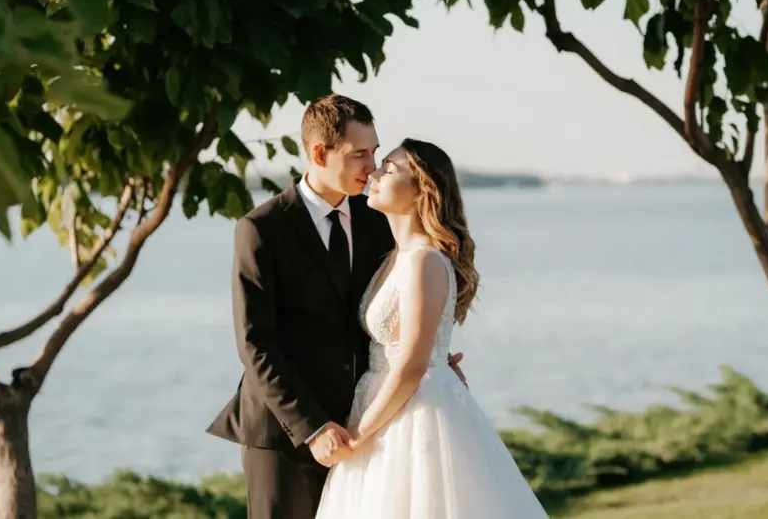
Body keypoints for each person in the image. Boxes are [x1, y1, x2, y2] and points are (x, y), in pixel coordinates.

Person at [206, 95, 465, 519]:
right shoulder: (262, 229)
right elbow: (256, 345)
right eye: (360, 154)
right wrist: (311, 428)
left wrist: (429, 359)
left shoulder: (378, 218)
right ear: (320, 153)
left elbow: (400, 305)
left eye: (376, 152)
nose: (372, 165)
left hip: (367, 427)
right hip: (285, 434)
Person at [313, 138, 551, 519]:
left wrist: (358, 433)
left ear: (421, 188)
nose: (373, 172)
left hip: (413, 412)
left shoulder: (425, 261)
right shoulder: (396, 256)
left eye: (388, 168)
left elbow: (411, 365)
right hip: (380, 400)